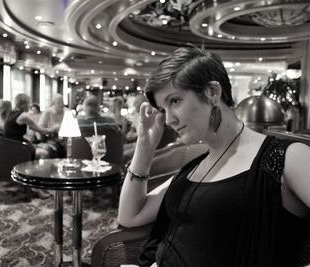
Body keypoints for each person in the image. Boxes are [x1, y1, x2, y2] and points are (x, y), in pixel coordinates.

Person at [118, 47, 310, 267]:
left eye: (175, 101)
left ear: (212, 92)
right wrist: (145, 145)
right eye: (163, 109)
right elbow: (130, 215)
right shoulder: (194, 168)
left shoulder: (286, 157)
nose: (169, 119)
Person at [4, 93, 56, 159]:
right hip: (17, 147)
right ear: (24, 104)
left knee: (44, 146)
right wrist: (54, 129)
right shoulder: (23, 116)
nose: (30, 105)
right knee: (45, 153)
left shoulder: (11, 114)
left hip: (10, 146)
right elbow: (42, 131)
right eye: (29, 103)